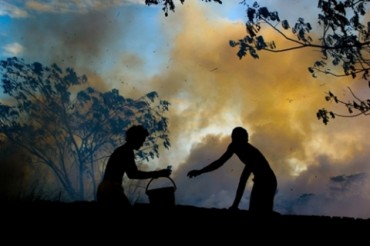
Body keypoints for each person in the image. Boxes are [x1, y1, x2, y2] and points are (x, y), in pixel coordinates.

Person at [187, 126, 277, 215]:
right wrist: (200, 171)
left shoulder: (250, 153)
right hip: (260, 181)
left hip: (268, 181)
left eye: (244, 139)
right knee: (255, 211)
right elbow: (219, 162)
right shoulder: (234, 146)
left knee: (262, 213)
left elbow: (243, 181)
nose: (245, 141)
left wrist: (235, 205)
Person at [97, 125, 172, 207]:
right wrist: (157, 174)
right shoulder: (126, 151)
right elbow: (133, 174)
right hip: (111, 189)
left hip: (106, 189)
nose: (142, 144)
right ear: (136, 138)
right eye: (141, 140)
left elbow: (131, 174)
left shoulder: (122, 150)